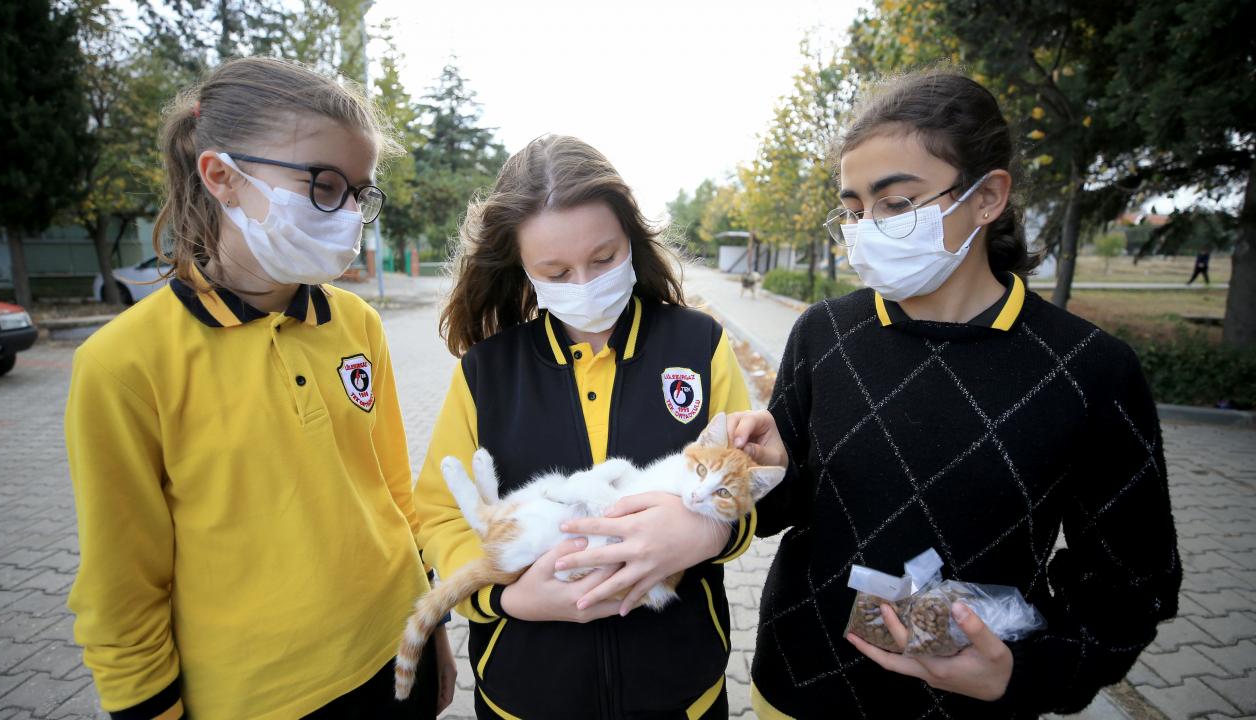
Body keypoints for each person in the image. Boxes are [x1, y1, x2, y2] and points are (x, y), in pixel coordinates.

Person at [728, 71, 1181, 719]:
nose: (868, 228)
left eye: (897, 203)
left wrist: (1020, 677)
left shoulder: (1090, 371)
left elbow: (1133, 584)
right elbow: (787, 508)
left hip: (962, 709)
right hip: (796, 686)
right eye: (853, 209)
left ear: (988, 196)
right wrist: (768, 473)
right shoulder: (823, 333)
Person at [65, 57, 455, 719]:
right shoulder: (123, 364)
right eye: (325, 185)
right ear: (222, 176)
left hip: (396, 655)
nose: (349, 213)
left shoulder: (355, 321)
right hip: (262, 699)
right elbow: (121, 589)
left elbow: (394, 490)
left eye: (360, 192)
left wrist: (433, 621)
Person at [414, 134, 755, 719]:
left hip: (682, 691)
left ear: (632, 240)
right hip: (528, 695)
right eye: (554, 270)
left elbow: (748, 486)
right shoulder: (486, 372)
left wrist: (709, 535)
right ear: (521, 268)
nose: (585, 285)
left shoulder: (699, 345)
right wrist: (508, 597)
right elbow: (439, 517)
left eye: (603, 259)